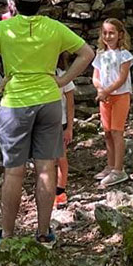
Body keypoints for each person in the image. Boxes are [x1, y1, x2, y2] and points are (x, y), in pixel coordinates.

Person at [0, 0, 94, 246]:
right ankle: (44, 233)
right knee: (46, 169)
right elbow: (87, 53)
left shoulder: (4, 29)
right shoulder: (54, 28)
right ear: (41, 1)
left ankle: (7, 236)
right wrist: (63, 80)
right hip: (49, 102)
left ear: (15, 1)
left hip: (14, 105)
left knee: (14, 172)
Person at [92, 18, 133, 187]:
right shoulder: (100, 54)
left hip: (120, 96)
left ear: (120, 35)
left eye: (111, 33)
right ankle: (110, 166)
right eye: (105, 33)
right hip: (105, 98)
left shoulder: (124, 55)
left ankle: (119, 169)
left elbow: (121, 78)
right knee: (107, 132)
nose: (108, 36)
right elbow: (96, 77)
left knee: (117, 132)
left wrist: (107, 91)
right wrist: (100, 90)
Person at [55, 53, 75, 207]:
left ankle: (60, 192)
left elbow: (70, 104)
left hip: (59, 124)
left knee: (61, 158)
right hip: (42, 125)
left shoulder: (63, 76)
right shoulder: (38, 76)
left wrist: (69, 128)